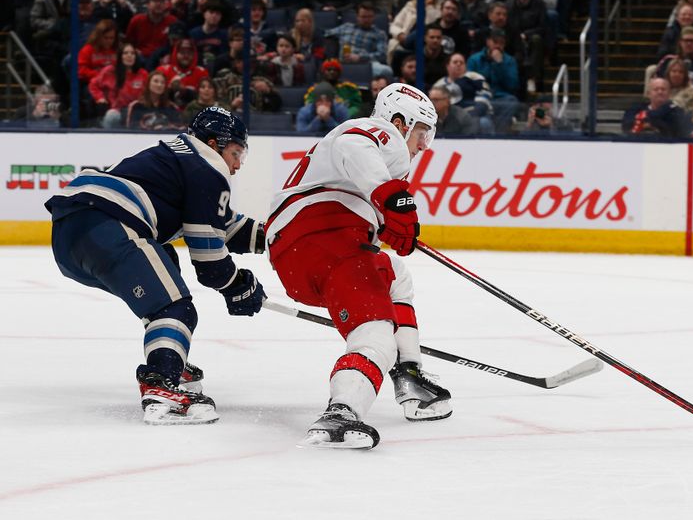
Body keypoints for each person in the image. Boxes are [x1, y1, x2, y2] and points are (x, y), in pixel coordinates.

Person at [45, 107, 267, 425]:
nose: (235, 166)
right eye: (235, 153)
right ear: (215, 143)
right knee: (173, 308)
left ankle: (169, 356)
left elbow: (224, 225)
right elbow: (210, 264)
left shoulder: (180, 160)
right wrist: (238, 286)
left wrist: (278, 237)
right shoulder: (207, 166)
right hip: (108, 224)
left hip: (72, 236)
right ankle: (161, 384)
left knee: (167, 264)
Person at [267, 82, 452, 449]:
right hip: (324, 236)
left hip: (306, 251)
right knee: (375, 333)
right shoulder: (378, 133)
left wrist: (386, 225)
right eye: (421, 133)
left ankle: (408, 372)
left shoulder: (377, 163)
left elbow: (365, 194)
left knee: (395, 274)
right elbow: (354, 145)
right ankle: (343, 410)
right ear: (400, 121)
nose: (422, 145)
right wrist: (392, 201)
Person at [89, 42, 149, 129]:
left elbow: (149, 93)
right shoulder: (110, 71)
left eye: (132, 53)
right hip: (117, 111)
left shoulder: (143, 74)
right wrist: (100, 98)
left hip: (136, 113)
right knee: (111, 115)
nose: (129, 56)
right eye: (126, 53)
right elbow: (93, 85)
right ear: (120, 56)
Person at [622, 77, 691, 138]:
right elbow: (627, 126)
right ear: (648, 94)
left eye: (663, 89)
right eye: (656, 89)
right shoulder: (635, 109)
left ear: (669, 93)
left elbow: (675, 131)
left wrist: (646, 122)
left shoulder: (676, 111)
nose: (660, 92)